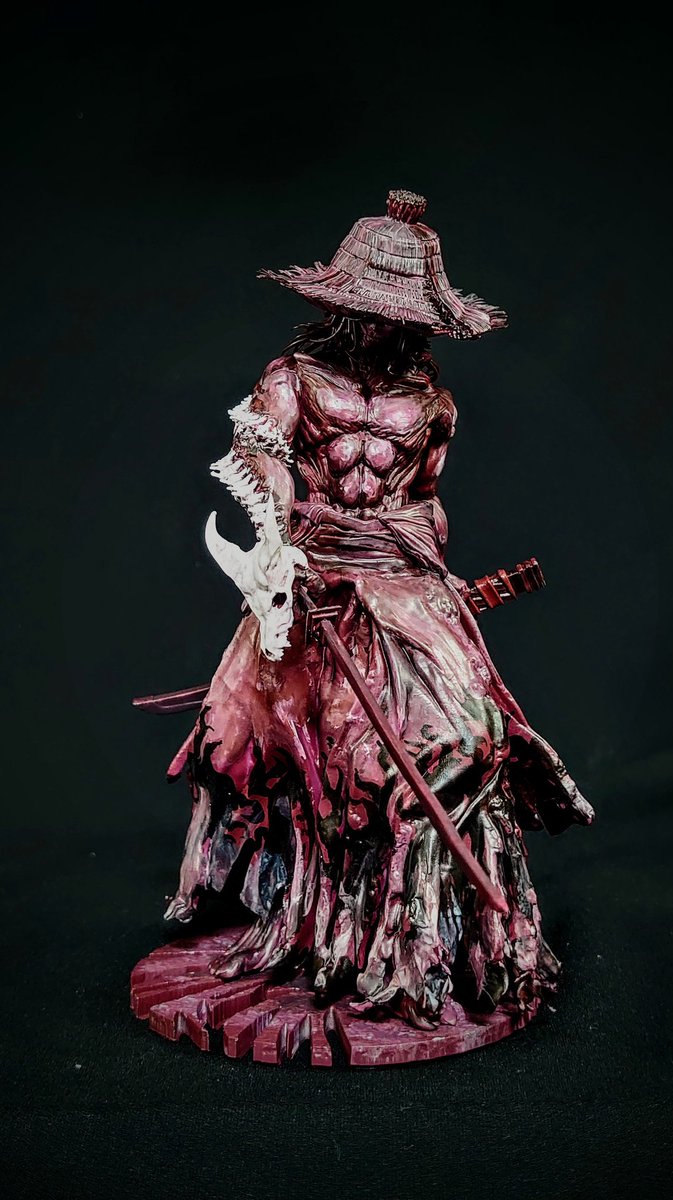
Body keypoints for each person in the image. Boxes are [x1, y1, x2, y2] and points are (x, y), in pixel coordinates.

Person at [163, 190, 593, 1032]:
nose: (381, 330)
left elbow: (425, 497)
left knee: (466, 735)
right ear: (341, 304)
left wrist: (423, 566)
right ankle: (312, 924)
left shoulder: (431, 404)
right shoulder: (292, 380)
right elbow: (258, 453)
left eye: (399, 319)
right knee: (257, 741)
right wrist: (280, 532)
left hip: (398, 571)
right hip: (307, 569)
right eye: (369, 313)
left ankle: (427, 936)